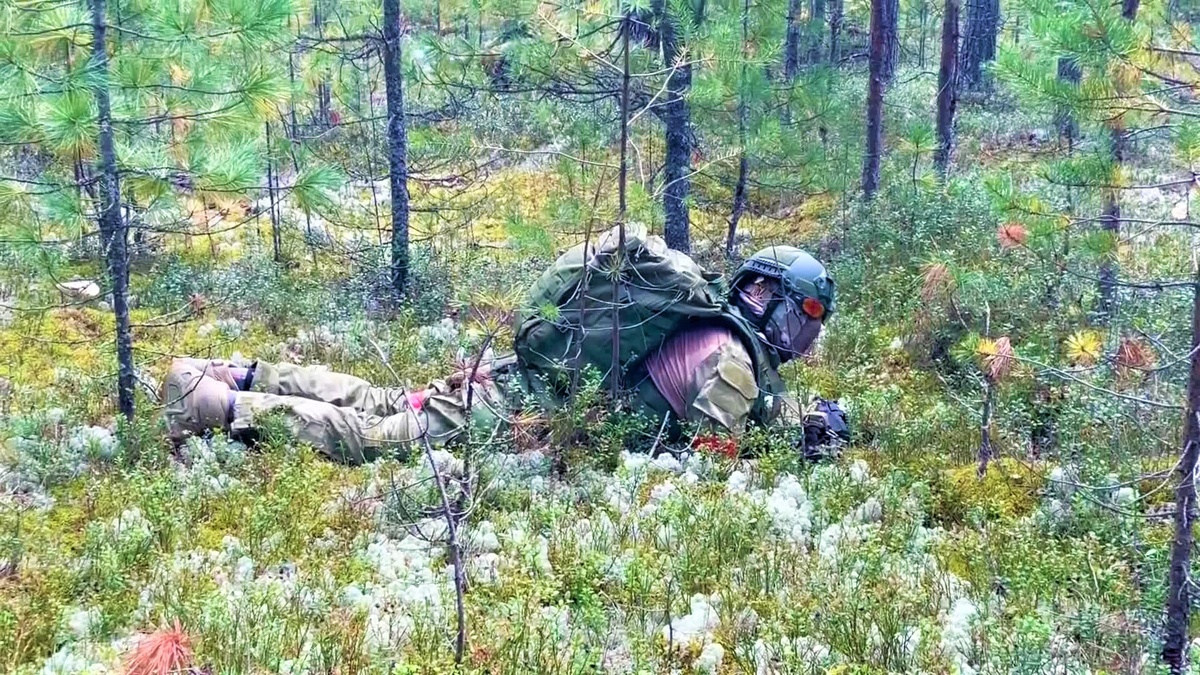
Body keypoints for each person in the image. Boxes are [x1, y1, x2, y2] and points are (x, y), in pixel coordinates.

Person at [161, 245, 837, 464]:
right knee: (382, 436)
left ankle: (251, 372)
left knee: (391, 401)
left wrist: (806, 419)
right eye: (803, 316)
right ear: (770, 301)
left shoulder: (710, 331)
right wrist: (781, 453)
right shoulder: (732, 357)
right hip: (521, 410)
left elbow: (751, 413)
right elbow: (714, 453)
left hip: (528, 390)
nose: (804, 335)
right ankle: (220, 404)